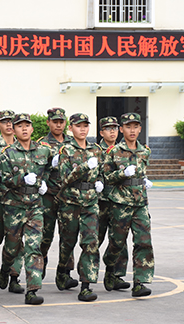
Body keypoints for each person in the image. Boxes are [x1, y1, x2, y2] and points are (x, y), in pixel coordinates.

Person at [0, 113, 51, 305]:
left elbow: (50, 170)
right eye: (20, 126)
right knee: (12, 247)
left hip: (35, 206)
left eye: (27, 125)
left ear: (32, 128)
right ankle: (6, 268)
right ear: (14, 130)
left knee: (33, 247)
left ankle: (32, 290)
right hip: (14, 206)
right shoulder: (8, 153)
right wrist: (21, 179)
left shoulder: (44, 151)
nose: (24, 129)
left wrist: (43, 183)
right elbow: (3, 179)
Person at [101, 112, 154, 297]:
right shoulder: (114, 151)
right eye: (128, 127)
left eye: (135, 127)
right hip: (120, 204)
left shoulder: (145, 151)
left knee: (143, 241)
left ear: (140, 129)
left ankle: (140, 282)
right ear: (122, 129)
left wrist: (144, 180)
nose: (132, 130)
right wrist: (123, 174)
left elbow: (142, 171)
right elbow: (107, 177)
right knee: (117, 242)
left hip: (140, 203)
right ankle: (110, 268)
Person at [56, 112, 104, 302]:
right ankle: (62, 270)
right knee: (67, 243)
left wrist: (100, 182)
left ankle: (86, 285)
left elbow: (102, 172)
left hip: (90, 203)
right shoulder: (65, 150)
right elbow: (65, 178)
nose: (82, 129)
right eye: (78, 126)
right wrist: (84, 167)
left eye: (85, 126)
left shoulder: (96, 150)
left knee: (91, 243)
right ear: (71, 128)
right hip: (70, 203)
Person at [36, 107, 76, 288]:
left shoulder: (73, 143)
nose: (58, 125)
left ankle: (64, 273)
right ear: (48, 123)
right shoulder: (42, 144)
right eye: (55, 122)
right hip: (49, 195)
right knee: (45, 235)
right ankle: (40, 263)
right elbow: (36, 167)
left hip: (69, 196)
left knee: (68, 235)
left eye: (61, 122)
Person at [0, 110, 25, 294]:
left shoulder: (23, 146)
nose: (9, 125)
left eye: (12, 122)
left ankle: (13, 276)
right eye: (5, 122)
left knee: (16, 241)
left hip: (18, 201)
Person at [97, 116, 130, 292]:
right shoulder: (96, 150)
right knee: (95, 238)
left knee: (119, 239)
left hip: (119, 201)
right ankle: (88, 275)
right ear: (101, 132)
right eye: (108, 128)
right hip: (100, 201)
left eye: (115, 128)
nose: (112, 131)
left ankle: (115, 274)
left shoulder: (123, 150)